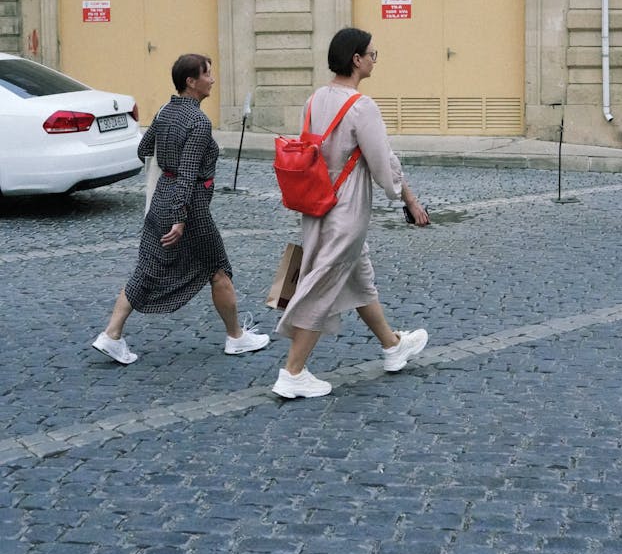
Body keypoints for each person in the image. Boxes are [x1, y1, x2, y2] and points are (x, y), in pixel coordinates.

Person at [272, 27, 430, 400]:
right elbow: (383, 163)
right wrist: (406, 197)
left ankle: (392, 347)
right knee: (322, 283)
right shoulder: (362, 107)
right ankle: (292, 372)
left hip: (316, 205)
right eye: (373, 55)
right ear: (356, 59)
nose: (375, 60)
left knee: (358, 280)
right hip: (347, 210)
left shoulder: (313, 100)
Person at [92, 53, 269, 365]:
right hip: (190, 209)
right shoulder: (199, 121)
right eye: (207, 74)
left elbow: (144, 150)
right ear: (191, 81)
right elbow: (188, 174)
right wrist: (181, 218)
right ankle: (236, 338)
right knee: (218, 270)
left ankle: (111, 335)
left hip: (162, 199)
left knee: (146, 269)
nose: (213, 79)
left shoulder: (166, 111)